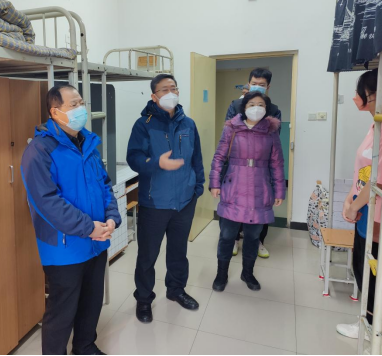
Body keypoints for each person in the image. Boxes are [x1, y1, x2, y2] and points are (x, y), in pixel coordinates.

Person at [21, 84, 121, 356]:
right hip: (64, 248)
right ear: (55, 112)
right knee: (62, 310)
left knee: (91, 301)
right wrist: (88, 228)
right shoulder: (39, 151)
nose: (81, 109)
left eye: (81, 103)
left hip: (97, 242)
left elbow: (104, 185)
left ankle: (85, 346)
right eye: (74, 105)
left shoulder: (88, 143)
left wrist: (112, 217)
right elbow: (47, 202)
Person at [127, 73, 205, 324]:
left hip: (184, 201)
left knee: (178, 252)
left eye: (174, 88)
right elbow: (133, 158)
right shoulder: (143, 125)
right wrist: (156, 163)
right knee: (147, 255)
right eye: (164, 89)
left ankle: (176, 290)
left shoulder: (188, 124)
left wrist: (198, 187)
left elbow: (197, 158)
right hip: (154, 203)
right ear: (154, 96)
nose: (170, 93)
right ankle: (144, 299)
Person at [210, 92, 285, 292]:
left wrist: (279, 191)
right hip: (233, 188)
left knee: (253, 237)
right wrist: (214, 183)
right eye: (252, 104)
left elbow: (277, 163)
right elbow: (219, 157)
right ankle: (221, 274)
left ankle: (247, 273)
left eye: (261, 104)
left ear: (266, 109)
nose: (256, 108)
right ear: (244, 107)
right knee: (227, 236)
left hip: (260, 191)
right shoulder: (232, 128)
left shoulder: (271, 132)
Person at [337, 69, 382, 342]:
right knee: (362, 265)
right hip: (365, 207)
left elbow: (380, 178)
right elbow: (363, 170)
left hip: (377, 212)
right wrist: (349, 199)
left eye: (364, 92)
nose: (359, 97)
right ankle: (369, 321)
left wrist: (355, 206)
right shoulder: (375, 125)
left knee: (372, 270)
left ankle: (372, 327)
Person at [226, 68, 282, 260]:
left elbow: (274, 137)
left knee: (261, 205)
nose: (257, 87)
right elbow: (228, 132)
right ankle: (234, 238)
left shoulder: (273, 109)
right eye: (254, 83)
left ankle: (258, 241)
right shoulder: (235, 105)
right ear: (248, 84)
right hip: (238, 163)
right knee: (236, 202)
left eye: (262, 84)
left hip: (261, 165)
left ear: (268, 87)